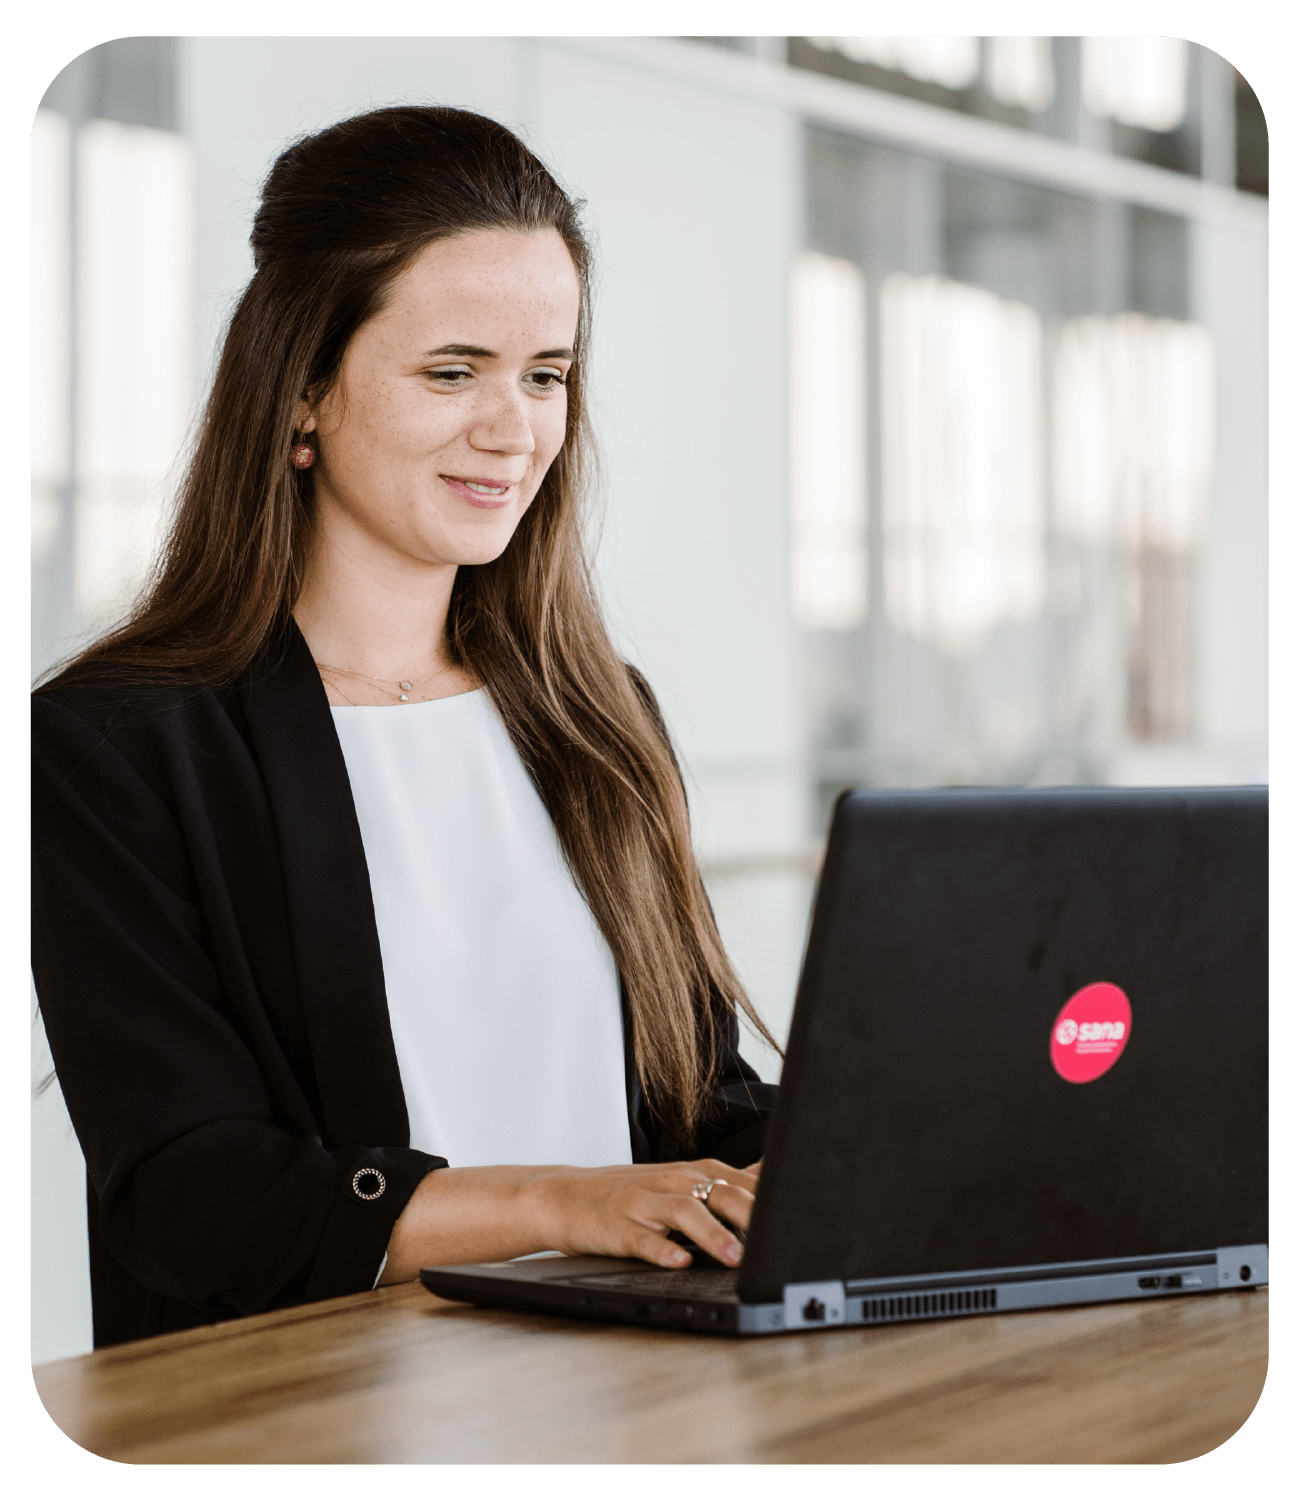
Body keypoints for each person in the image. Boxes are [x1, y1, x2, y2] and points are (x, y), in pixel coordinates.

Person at [30, 106, 779, 1349]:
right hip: (320, 1409)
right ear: (302, 393)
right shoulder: (116, 747)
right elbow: (192, 1193)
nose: (515, 427)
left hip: (646, 1398)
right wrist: (565, 1201)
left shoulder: (599, 719)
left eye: (546, 374)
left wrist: (873, 1155)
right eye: (453, 370)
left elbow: (697, 1106)